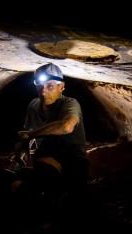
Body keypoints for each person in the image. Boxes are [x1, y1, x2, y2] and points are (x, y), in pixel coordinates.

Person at [15, 63, 89, 205]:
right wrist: (22, 148)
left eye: (50, 86)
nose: (43, 92)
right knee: (16, 185)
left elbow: (66, 127)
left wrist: (31, 134)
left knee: (52, 142)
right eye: (39, 85)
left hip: (74, 163)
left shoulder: (70, 103)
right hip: (43, 160)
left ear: (61, 87)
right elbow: (27, 136)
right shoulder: (33, 105)